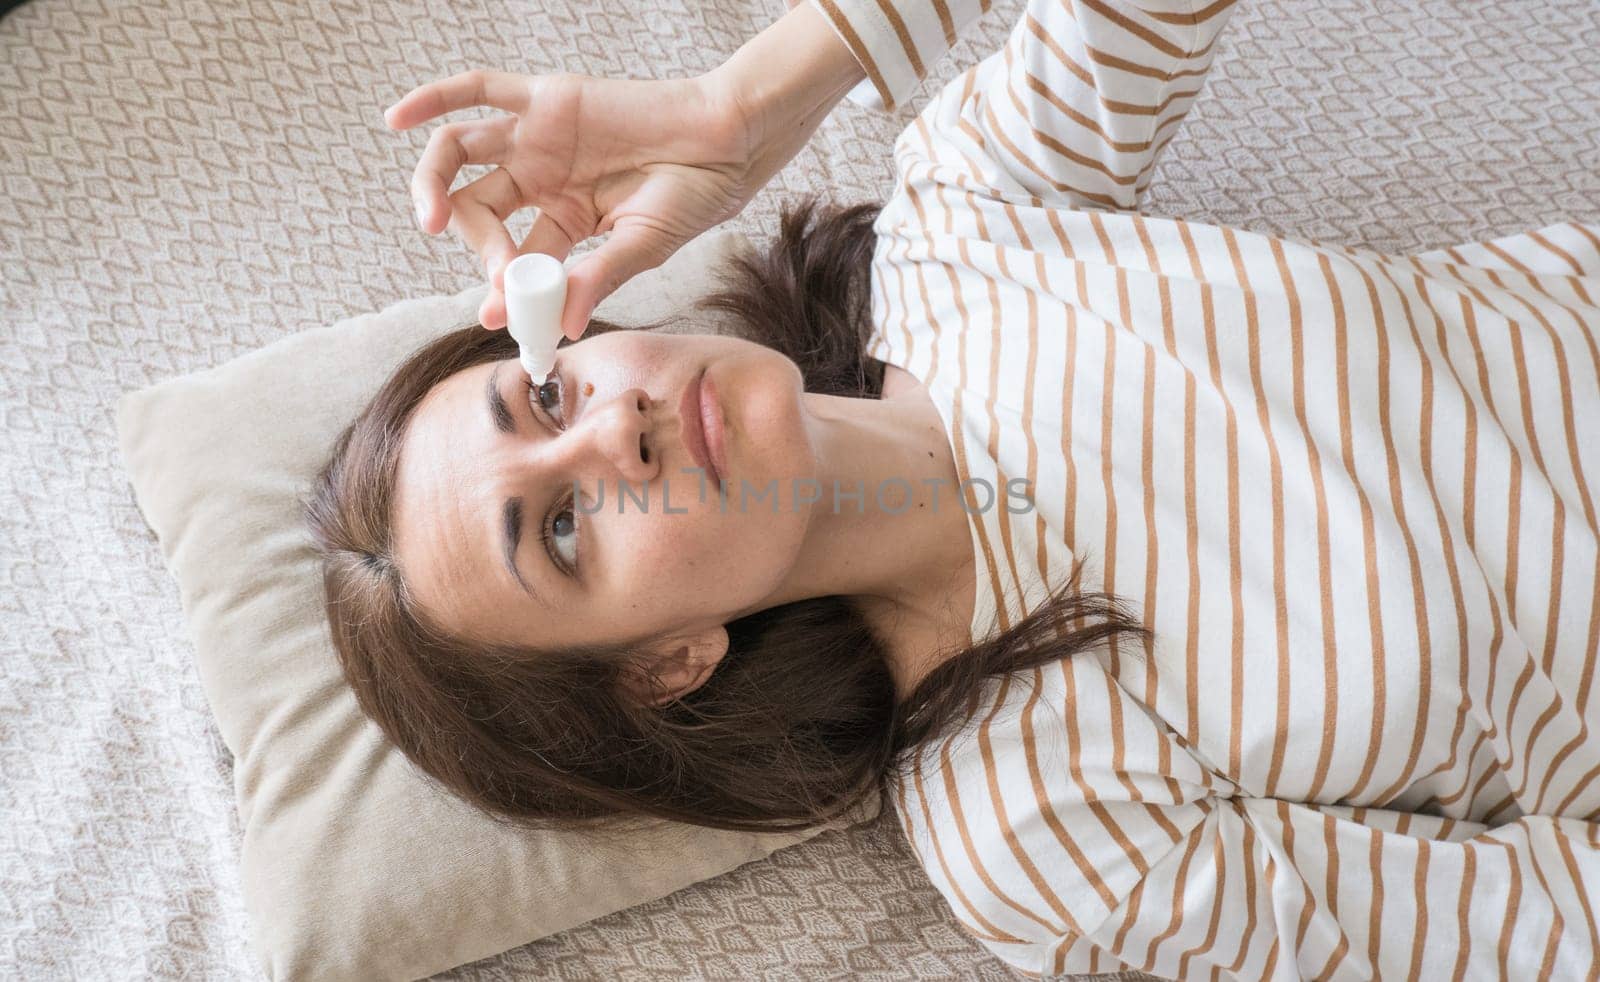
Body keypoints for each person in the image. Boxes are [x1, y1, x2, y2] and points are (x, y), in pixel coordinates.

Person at [309, 0, 1600, 976]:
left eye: (546, 396)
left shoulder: (963, 224)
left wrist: (749, 98)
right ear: (667, 663)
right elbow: (1550, 930)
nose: (615, 433)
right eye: (567, 527)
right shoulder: (1044, 832)